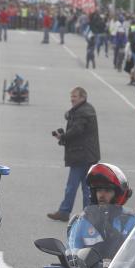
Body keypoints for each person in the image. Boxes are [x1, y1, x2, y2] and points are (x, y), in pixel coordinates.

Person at [47, 87, 101, 222]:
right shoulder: (85, 109)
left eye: (75, 96)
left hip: (81, 154)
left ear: (83, 97)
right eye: (71, 96)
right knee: (87, 187)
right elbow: (74, 122)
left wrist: (63, 137)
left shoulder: (82, 112)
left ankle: (65, 211)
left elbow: (77, 130)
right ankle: (88, 214)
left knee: (73, 186)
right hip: (87, 154)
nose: (72, 99)